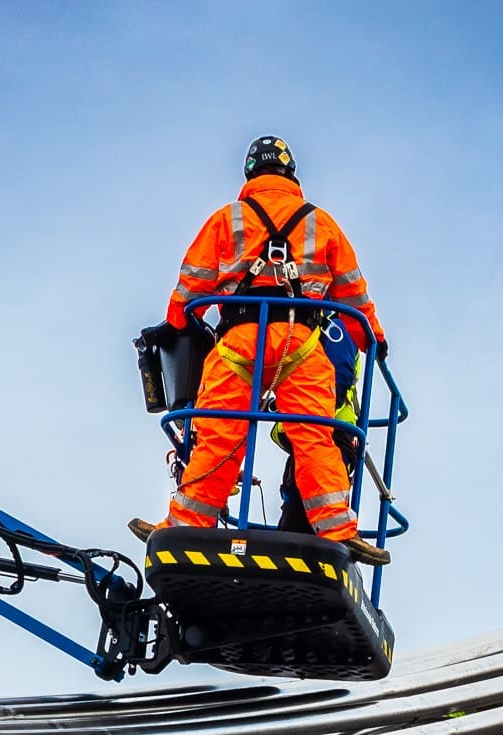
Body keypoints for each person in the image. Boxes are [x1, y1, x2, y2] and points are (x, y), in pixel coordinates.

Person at [132, 135, 390, 566]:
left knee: (218, 435)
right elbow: (353, 295)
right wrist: (373, 339)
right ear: (291, 172)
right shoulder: (321, 222)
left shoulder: (226, 219)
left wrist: (177, 323)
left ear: (250, 173)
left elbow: (190, 286)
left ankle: (185, 527)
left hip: (240, 340)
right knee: (313, 436)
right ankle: (340, 532)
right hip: (303, 344)